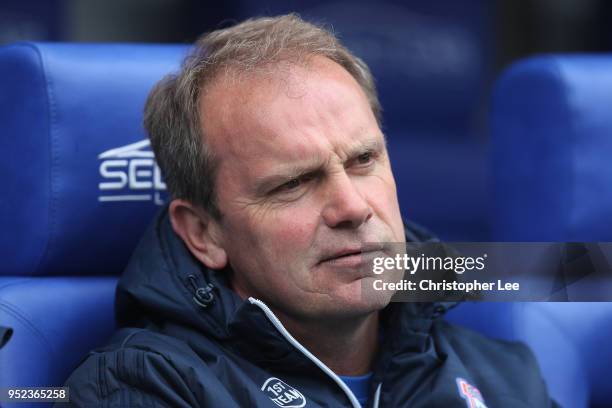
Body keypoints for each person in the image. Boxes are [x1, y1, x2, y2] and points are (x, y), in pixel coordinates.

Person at [64, 14, 557, 407]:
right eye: (294, 183)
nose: (352, 207)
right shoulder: (142, 390)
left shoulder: (504, 377)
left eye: (363, 160)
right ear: (203, 233)